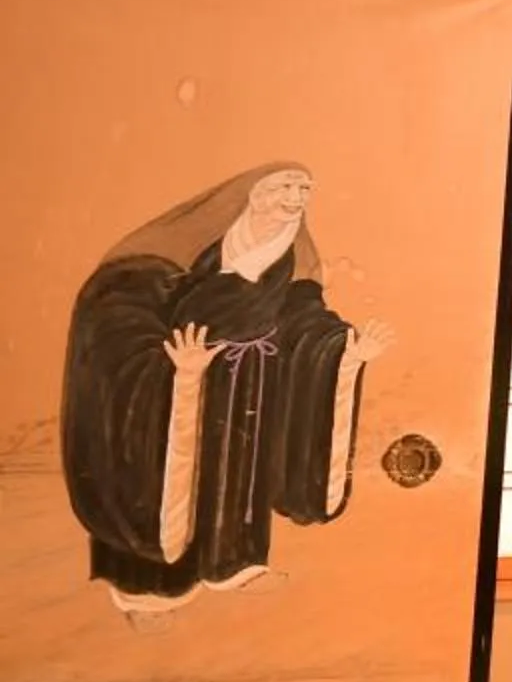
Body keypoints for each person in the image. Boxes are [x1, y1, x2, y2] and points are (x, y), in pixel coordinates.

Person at [61, 163, 393, 624]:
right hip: (182, 379)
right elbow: (120, 317)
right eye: (284, 187)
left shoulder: (290, 253)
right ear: (251, 195)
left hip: (250, 381)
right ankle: (151, 593)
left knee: (240, 471)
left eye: (304, 189)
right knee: (171, 476)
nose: (295, 199)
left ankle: (234, 562)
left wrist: (343, 350)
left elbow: (303, 319)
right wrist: (174, 368)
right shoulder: (173, 252)